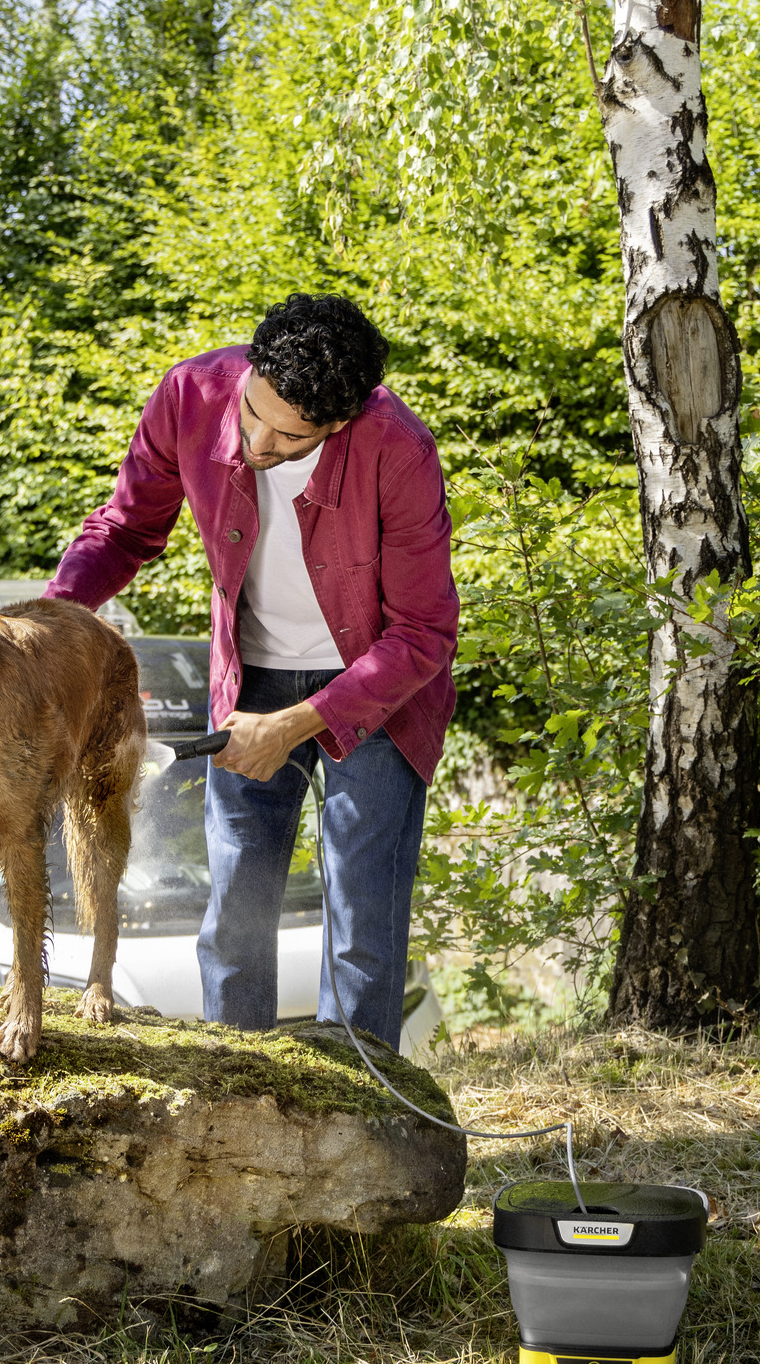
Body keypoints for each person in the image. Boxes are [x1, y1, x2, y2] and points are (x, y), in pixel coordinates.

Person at [45, 294, 457, 1046]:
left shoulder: (397, 450)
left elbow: (426, 632)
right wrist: (48, 619)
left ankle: (355, 1112)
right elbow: (126, 528)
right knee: (236, 911)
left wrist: (301, 722)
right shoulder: (193, 394)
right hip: (249, 679)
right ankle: (234, 1097)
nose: (259, 442)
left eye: (289, 435)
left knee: (362, 915)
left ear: (340, 422)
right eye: (254, 413)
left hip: (376, 692)